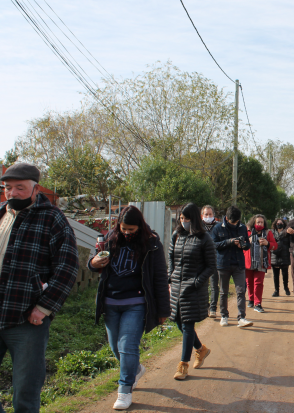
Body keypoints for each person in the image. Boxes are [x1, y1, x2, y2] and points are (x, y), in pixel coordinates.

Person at [0, 163, 79, 413]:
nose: (11, 193)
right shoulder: (1, 213)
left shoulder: (52, 217)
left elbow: (67, 267)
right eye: (7, 188)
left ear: (35, 189)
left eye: (19, 188)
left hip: (26, 319)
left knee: (25, 391)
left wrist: (44, 307)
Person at [89, 206, 170, 409]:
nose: (126, 233)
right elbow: (92, 264)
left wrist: (162, 310)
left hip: (136, 303)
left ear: (139, 227)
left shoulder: (152, 243)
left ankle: (125, 389)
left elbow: (160, 278)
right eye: (124, 228)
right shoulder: (110, 238)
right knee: (115, 347)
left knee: (127, 346)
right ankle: (135, 369)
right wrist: (94, 262)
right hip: (110, 303)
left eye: (131, 230)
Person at [169, 203, 217, 380]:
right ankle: (201, 349)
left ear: (194, 219)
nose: (183, 222)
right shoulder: (177, 235)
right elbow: (170, 256)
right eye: (181, 219)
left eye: (186, 219)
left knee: (187, 324)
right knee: (178, 322)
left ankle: (183, 365)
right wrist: (170, 276)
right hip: (176, 286)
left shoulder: (205, 238)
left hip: (193, 289)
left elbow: (211, 266)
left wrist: (197, 282)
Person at [211, 205, 253, 328]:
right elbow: (214, 244)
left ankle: (242, 318)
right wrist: (229, 242)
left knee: (241, 291)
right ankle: (224, 316)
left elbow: (247, 244)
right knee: (224, 292)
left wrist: (243, 245)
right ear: (227, 218)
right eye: (233, 222)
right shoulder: (217, 228)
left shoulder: (242, 227)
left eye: (237, 222)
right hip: (223, 264)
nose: (235, 224)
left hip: (239, 264)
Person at [243, 214, 277, 313]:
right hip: (249, 262)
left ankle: (257, 304)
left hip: (262, 262)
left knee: (258, 282)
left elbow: (275, 245)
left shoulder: (268, 233)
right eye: (258, 222)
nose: (260, 224)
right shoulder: (247, 231)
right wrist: (247, 242)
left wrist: (268, 243)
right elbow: (241, 244)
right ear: (254, 222)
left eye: (261, 222)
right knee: (249, 282)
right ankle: (251, 299)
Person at [201, 205, 219, 318]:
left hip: (215, 260)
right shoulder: (198, 227)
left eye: (210, 214)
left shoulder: (218, 226)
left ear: (214, 215)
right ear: (202, 215)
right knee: (202, 285)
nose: (208, 216)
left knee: (214, 285)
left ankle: (213, 308)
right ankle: (204, 307)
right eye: (206, 214)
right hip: (201, 260)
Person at [271, 218, 291, 297]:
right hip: (274, 256)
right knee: (276, 275)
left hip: (284, 256)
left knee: (285, 274)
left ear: (284, 224)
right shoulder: (272, 233)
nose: (280, 224)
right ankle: (276, 290)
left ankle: (286, 288)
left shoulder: (287, 233)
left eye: (281, 223)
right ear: (275, 224)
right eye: (278, 223)